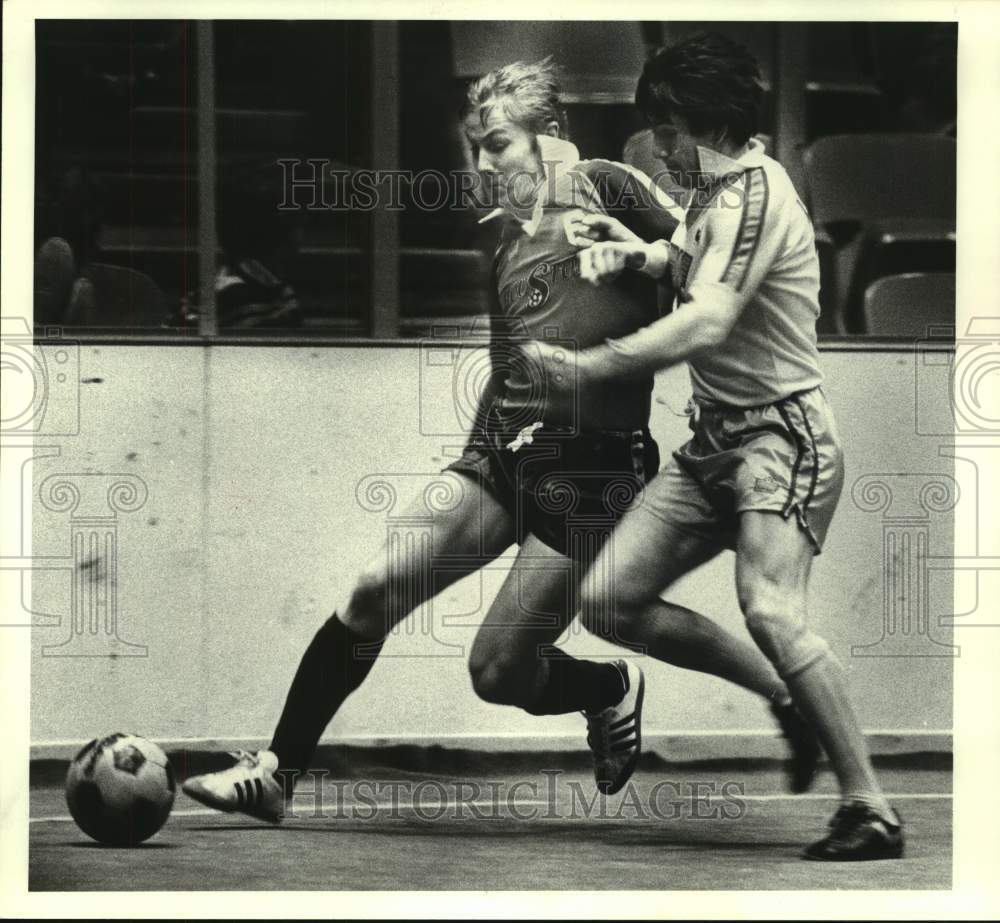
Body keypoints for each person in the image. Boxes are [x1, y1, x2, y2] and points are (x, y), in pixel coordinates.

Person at [182, 58, 818, 823]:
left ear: (551, 138)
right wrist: (479, 455)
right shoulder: (505, 243)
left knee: (497, 669)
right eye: (474, 148)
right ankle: (276, 774)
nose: (482, 164)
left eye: (498, 145)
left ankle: (629, 688)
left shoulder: (608, 186)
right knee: (375, 588)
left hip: (597, 468)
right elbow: (509, 365)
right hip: (509, 457)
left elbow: (701, 271)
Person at [536, 34, 901, 860]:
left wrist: (591, 365)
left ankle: (871, 807)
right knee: (612, 600)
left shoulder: (755, 196)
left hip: (782, 437)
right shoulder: (716, 186)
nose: (658, 148)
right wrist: (640, 252)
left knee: (772, 607)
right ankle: (786, 696)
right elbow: (690, 258)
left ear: (710, 122)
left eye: (667, 130)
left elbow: (708, 318)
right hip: (716, 442)